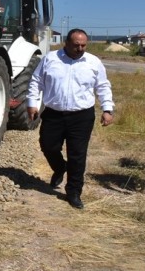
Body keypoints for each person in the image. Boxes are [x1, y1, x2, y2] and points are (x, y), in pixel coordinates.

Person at [26, 29, 115, 209]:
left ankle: (74, 192)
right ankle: (59, 168)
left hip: (82, 116)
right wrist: (32, 103)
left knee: (77, 155)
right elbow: (36, 81)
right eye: (76, 45)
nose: (80, 49)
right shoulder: (50, 59)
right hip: (54, 113)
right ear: (66, 43)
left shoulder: (93, 62)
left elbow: (103, 86)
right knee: (48, 145)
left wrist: (107, 109)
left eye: (83, 45)